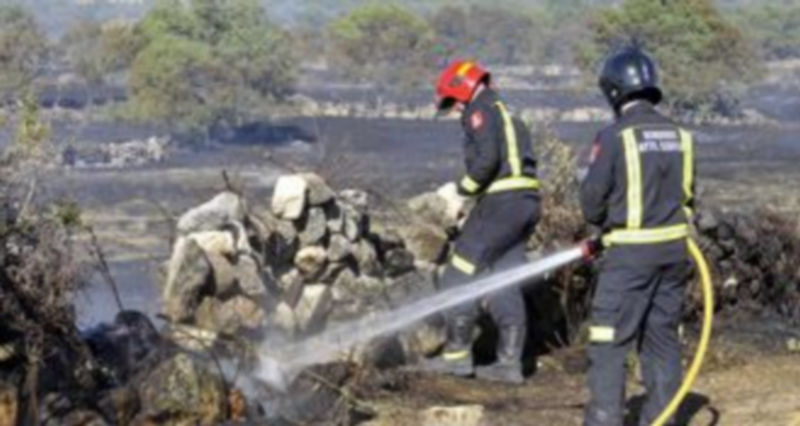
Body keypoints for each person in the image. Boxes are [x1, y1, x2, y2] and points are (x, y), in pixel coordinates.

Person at [580, 46, 696, 425]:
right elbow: (688, 197)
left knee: (608, 342)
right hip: (675, 255)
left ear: (614, 91)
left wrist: (605, 227)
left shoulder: (615, 137)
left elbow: (592, 203)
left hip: (629, 259)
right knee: (662, 342)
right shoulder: (682, 136)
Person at [418, 60, 541, 384]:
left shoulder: (479, 111)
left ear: (463, 89)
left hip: (502, 204)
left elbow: (487, 161)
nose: (455, 108)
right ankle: (509, 364)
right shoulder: (507, 113)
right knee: (503, 280)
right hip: (526, 204)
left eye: (453, 101)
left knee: (458, 274)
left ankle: (456, 357)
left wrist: (460, 193)